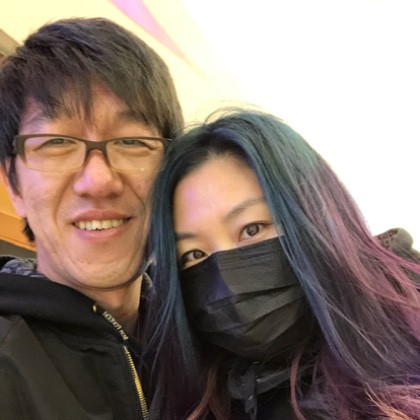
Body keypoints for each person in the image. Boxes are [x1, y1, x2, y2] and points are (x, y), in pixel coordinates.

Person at [147, 108, 420, 419]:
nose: (230, 281)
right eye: (194, 255)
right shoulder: (199, 398)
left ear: (315, 215)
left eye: (252, 229)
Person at [0, 17, 197, 419]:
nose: (99, 180)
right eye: (56, 142)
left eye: (132, 141)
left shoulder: (209, 339)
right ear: (13, 186)